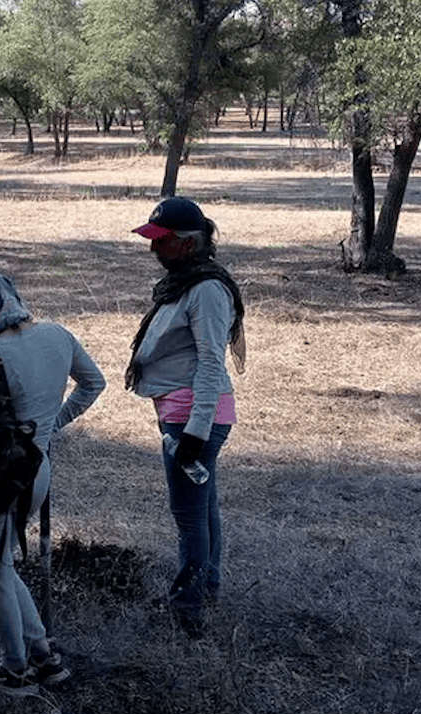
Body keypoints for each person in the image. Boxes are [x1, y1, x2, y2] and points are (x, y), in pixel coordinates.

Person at [0, 269, 105, 694]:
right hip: (36, 471)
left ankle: (14, 669)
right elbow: (93, 384)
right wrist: (47, 430)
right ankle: (43, 656)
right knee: (3, 566)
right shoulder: (58, 336)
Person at [126, 196, 245, 638]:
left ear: (187, 243)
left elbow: (213, 362)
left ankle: (187, 609)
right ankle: (205, 590)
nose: (153, 248)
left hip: (194, 417)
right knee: (204, 510)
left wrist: (194, 431)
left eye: (161, 241)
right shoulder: (186, 283)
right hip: (187, 412)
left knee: (190, 517)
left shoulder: (207, 290)